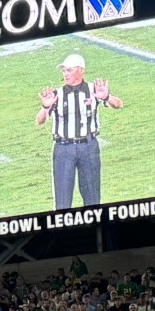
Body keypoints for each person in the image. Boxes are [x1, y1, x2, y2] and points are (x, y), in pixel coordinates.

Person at [36, 49, 121, 211]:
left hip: (88, 147)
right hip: (63, 148)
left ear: (81, 71)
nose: (65, 74)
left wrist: (106, 97)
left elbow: (118, 104)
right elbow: (39, 120)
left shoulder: (93, 90)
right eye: (64, 71)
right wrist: (45, 107)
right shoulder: (56, 94)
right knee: (62, 202)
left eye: (69, 70)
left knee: (92, 198)